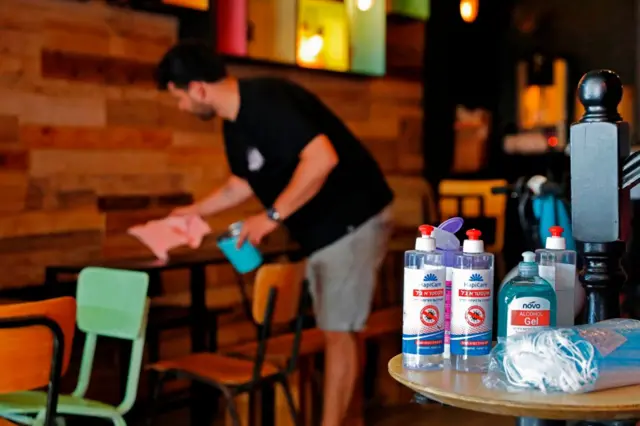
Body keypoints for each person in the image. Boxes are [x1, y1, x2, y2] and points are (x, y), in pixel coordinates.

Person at [155, 41, 394, 426]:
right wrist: (194, 210)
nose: (181, 107)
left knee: (337, 331)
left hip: (353, 217)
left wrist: (270, 218)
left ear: (198, 88)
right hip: (324, 230)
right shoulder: (234, 127)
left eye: (178, 98)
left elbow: (322, 158)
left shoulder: (267, 101)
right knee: (341, 331)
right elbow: (240, 185)